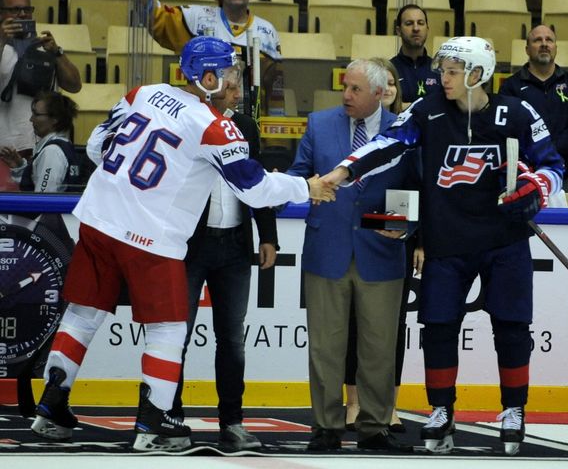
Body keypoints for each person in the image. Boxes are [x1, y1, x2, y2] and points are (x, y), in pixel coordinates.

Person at [29, 36, 334, 452]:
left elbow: (99, 147)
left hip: (99, 220)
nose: (236, 84)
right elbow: (256, 188)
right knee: (169, 328)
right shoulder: (214, 124)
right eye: (229, 75)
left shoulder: (144, 92)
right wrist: (308, 186)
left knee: (82, 315)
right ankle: (152, 426)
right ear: (207, 78)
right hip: (149, 236)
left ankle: (50, 408)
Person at [322, 37, 564, 456]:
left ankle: (513, 409)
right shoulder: (427, 109)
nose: (442, 78)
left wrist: (535, 189)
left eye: (452, 71)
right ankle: (441, 410)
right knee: (437, 327)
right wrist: (342, 172)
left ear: (477, 74)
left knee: (510, 326)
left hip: (504, 240)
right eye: (442, 70)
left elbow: (554, 166)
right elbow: (388, 144)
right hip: (447, 240)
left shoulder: (518, 112)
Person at [287, 58, 419, 453]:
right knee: (325, 345)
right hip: (327, 248)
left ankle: (375, 426)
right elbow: (298, 174)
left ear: (380, 93)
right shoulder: (319, 123)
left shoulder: (405, 130)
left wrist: (406, 224)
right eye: (346, 86)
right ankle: (326, 426)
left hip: (381, 250)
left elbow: (418, 185)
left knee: (379, 345)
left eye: (356, 89)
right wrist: (307, 187)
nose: (346, 94)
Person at [169, 65, 275, 451]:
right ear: (208, 85)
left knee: (232, 339)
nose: (237, 93)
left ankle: (232, 421)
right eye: (230, 87)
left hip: (234, 245)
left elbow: (257, 178)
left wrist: (268, 236)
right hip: (188, 244)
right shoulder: (185, 121)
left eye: (239, 87)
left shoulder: (245, 125)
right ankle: (169, 416)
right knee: (173, 336)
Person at [343, 57, 423, 434]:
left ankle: (387, 404)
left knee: (392, 327)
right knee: (352, 326)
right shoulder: (350, 128)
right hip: (351, 241)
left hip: (392, 242)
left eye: (393, 82)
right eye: (383, 81)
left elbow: (418, 187)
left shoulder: (410, 131)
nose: (389, 87)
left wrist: (414, 234)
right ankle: (354, 402)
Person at [125, 0, 282, 115]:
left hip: (249, 118)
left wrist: (277, 144)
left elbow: (275, 86)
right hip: (201, 118)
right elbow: (158, 18)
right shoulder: (195, 18)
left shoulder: (267, 32)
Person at [498, 24, 568, 207]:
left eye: (549, 40)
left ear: (556, 47)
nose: (544, 44)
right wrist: (535, 155)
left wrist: (548, 152)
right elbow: (506, 131)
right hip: (522, 176)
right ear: (527, 49)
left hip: (565, 174)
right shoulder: (510, 86)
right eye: (537, 40)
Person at [0, 0, 81, 158]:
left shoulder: (45, 46)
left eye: (27, 9)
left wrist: (57, 53)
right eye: (14, 10)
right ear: (1, 14)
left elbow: (74, 86)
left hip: (44, 146)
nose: (22, 14)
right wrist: (1, 40)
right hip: (6, 148)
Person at [0, 90, 79, 192]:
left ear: (55, 119)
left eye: (36, 114)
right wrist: (19, 166)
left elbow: (44, 199)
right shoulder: (64, 146)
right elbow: (35, 185)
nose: (31, 119)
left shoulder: (52, 152)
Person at [390, 5, 442, 110]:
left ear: (427, 29)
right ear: (398, 31)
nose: (416, 28)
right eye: (409, 23)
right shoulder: (389, 70)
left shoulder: (439, 70)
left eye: (420, 23)